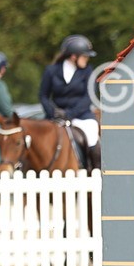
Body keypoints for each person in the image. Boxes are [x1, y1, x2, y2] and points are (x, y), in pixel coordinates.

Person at [39, 34, 100, 170]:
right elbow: (43, 95)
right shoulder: (51, 71)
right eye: (85, 56)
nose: (87, 59)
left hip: (80, 116)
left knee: (92, 134)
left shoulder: (88, 71)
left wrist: (69, 113)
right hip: (55, 117)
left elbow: (88, 97)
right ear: (74, 56)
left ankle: (95, 171)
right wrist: (53, 112)